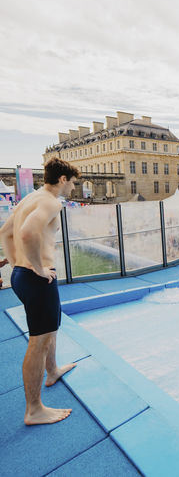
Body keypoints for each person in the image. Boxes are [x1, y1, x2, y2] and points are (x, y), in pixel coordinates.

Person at [0, 157, 80, 425]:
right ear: (62, 179)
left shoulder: (30, 198)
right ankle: (33, 409)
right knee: (39, 341)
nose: (73, 188)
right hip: (36, 279)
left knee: (49, 329)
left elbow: (5, 232)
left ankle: (53, 371)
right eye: (72, 182)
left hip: (25, 277)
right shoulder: (50, 201)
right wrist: (37, 267)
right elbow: (26, 234)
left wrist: (16, 266)